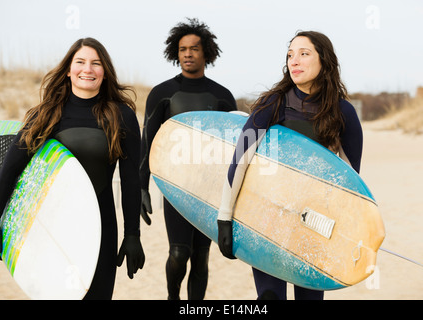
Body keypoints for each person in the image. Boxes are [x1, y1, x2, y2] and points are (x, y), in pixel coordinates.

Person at [217, 31, 363, 300]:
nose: (294, 61)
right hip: (267, 218)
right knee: (270, 297)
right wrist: (224, 217)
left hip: (313, 226)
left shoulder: (343, 113)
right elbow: (241, 159)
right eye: (290, 55)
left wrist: (343, 230)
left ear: (324, 61)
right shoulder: (272, 104)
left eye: (304, 54)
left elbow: (350, 183)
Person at [0, 37, 145, 300]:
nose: (87, 69)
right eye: (80, 62)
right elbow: (9, 171)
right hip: (53, 227)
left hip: (100, 227)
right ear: (68, 69)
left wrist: (132, 234)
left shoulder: (121, 115)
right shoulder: (46, 114)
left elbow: (131, 179)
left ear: (105, 71)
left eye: (96, 63)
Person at [139, 18, 237, 300]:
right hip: (175, 186)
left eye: (194, 48)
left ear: (206, 52)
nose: (188, 54)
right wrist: (142, 186)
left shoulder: (221, 96)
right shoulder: (163, 94)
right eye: (183, 49)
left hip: (209, 190)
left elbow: (234, 153)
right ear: (175, 52)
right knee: (179, 252)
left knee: (201, 257)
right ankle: (173, 297)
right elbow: (149, 142)